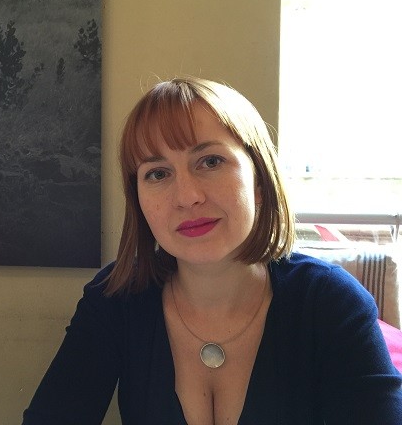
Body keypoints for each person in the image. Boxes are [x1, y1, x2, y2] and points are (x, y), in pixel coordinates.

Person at [22, 76, 402, 424]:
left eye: (210, 161)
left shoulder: (330, 302)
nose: (187, 197)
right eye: (158, 173)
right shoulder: (116, 297)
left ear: (259, 181)